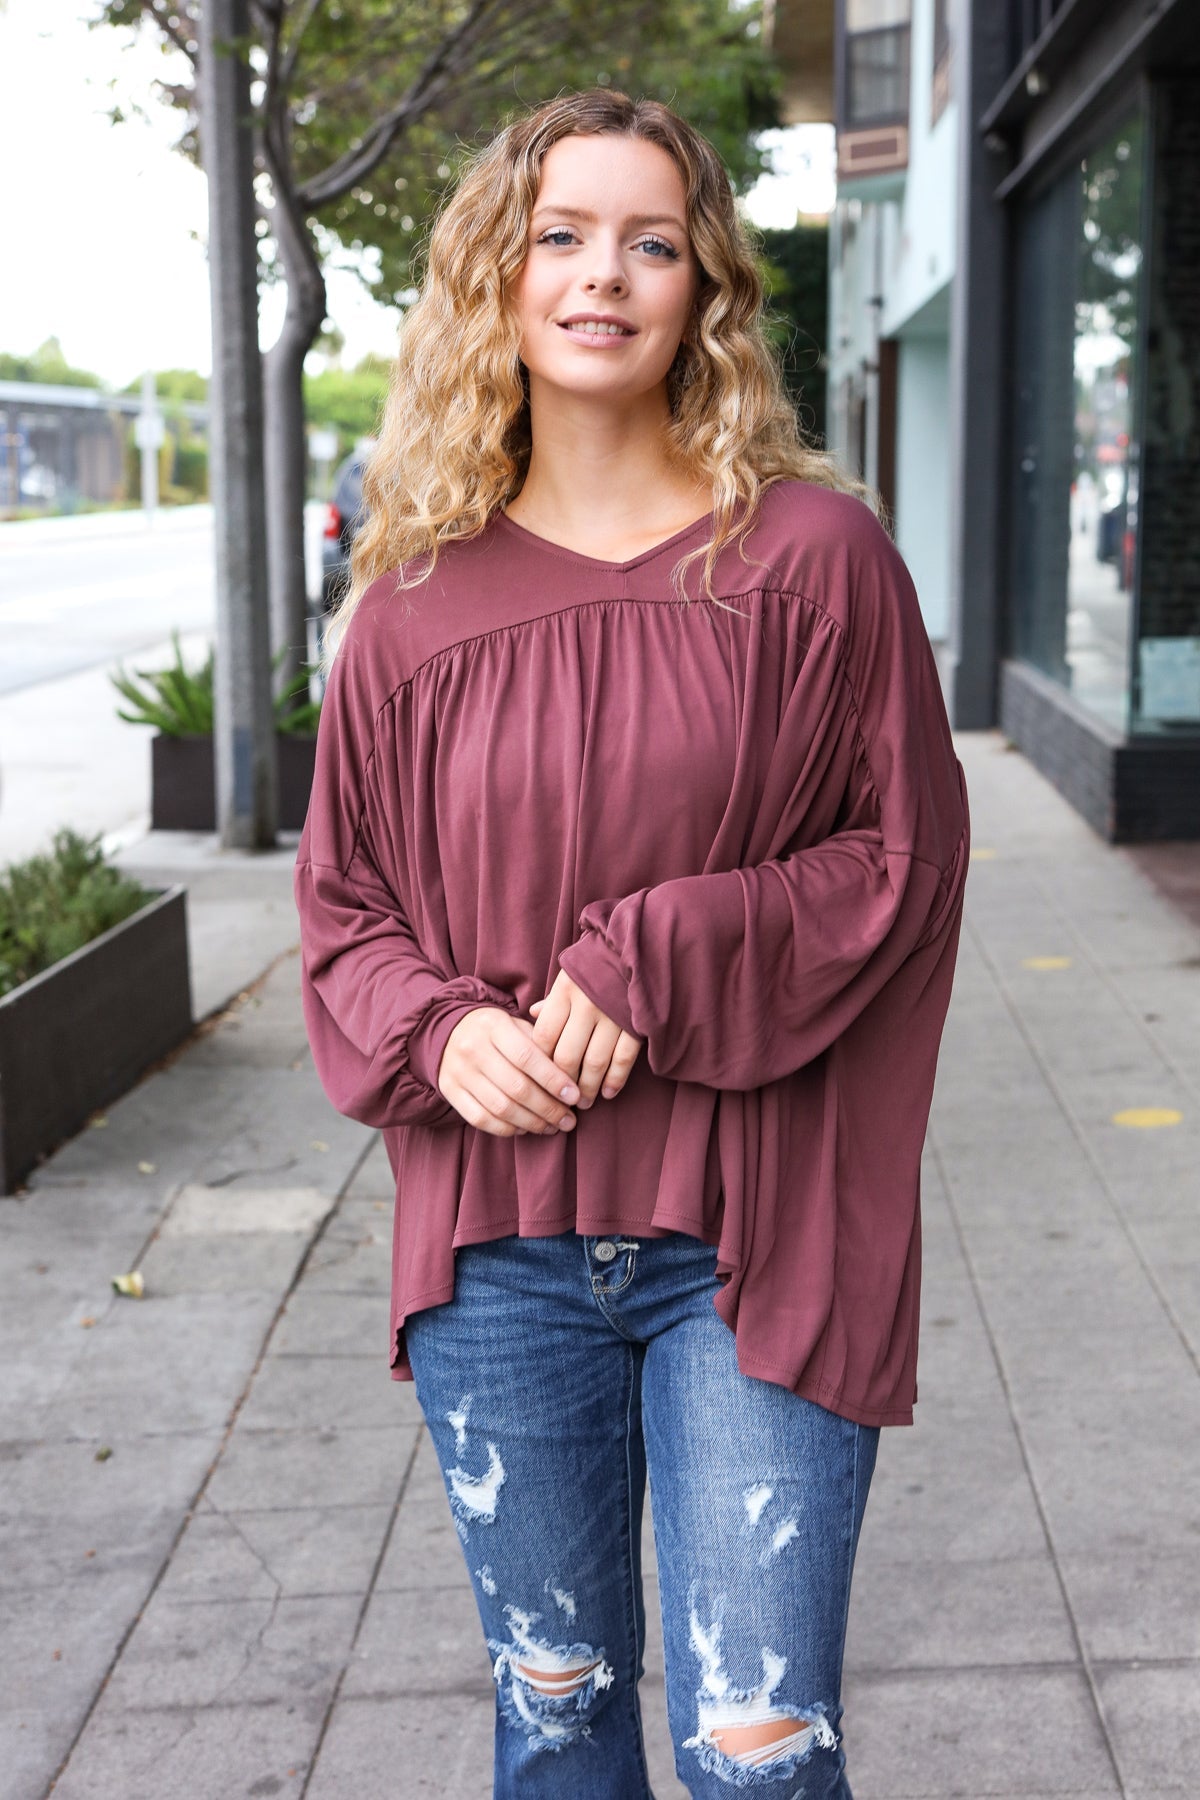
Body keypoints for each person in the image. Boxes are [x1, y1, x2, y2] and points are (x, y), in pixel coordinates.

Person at [295, 88, 968, 1800]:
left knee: (756, 1746)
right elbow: (343, 912)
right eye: (562, 236)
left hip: (758, 1235)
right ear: (498, 281)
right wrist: (441, 1029)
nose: (604, 276)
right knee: (559, 1717)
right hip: (500, 1248)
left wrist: (652, 954)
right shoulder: (411, 607)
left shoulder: (816, 562)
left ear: (705, 288)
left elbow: (904, 860)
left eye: (651, 241)